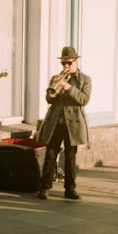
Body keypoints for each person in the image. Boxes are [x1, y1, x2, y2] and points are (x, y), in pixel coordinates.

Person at [37, 46, 91, 200]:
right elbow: (49, 99)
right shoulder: (57, 77)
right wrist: (53, 88)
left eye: (69, 63)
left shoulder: (85, 80)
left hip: (73, 124)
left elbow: (84, 100)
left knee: (70, 157)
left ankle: (70, 189)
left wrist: (67, 87)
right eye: (63, 64)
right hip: (56, 122)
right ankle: (44, 188)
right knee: (50, 154)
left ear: (76, 61)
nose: (66, 67)